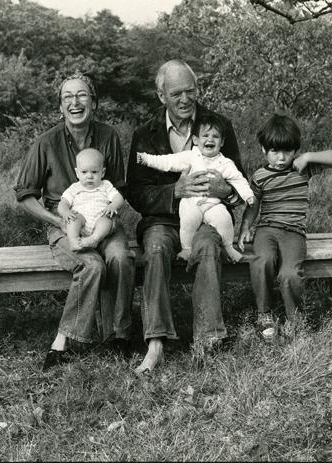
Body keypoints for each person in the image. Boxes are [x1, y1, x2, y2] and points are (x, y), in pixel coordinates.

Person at [126, 59, 243, 374]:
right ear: (161, 95)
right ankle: (156, 342)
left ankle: (207, 339)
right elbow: (136, 191)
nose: (185, 99)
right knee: (156, 248)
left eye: (190, 91)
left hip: (207, 215)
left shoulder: (219, 126)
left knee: (207, 247)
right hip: (163, 220)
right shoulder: (145, 134)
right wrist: (173, 192)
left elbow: (238, 181)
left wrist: (225, 190)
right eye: (176, 93)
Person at [13, 72, 135, 371]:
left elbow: (119, 187)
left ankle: (119, 335)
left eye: (81, 95)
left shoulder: (108, 137)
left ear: (93, 102)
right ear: (60, 106)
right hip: (66, 224)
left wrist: (109, 213)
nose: (75, 102)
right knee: (92, 264)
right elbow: (25, 194)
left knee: (120, 257)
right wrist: (57, 219)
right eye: (68, 97)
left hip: (105, 220)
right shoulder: (46, 142)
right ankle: (63, 341)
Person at [237, 114, 332, 338]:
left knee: (290, 274)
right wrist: (245, 227)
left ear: (295, 150)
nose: (281, 157)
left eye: (287, 151)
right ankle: (264, 314)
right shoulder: (260, 176)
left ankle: (294, 320)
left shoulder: (302, 169)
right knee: (262, 260)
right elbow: (253, 206)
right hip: (266, 230)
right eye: (275, 151)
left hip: (294, 233)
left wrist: (308, 156)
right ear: (263, 150)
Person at [137, 112, 254, 262]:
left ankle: (229, 247)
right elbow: (168, 162)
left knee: (224, 220)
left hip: (213, 204)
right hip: (191, 201)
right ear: (196, 140)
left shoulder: (225, 163)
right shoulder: (191, 156)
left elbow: (239, 180)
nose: (210, 139)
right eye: (205, 136)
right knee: (188, 221)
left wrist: (248, 195)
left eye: (215, 137)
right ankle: (187, 249)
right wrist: (147, 159)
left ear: (222, 142)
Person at [58, 148, 125, 251]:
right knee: (72, 220)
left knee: (106, 221)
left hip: (100, 218)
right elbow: (63, 203)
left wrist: (113, 205)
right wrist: (65, 212)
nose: (89, 176)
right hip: (81, 220)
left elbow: (118, 197)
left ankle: (93, 239)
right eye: (84, 172)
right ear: (77, 173)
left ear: (102, 173)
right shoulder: (75, 187)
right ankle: (74, 241)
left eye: (94, 172)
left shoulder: (106, 185)